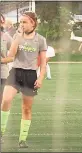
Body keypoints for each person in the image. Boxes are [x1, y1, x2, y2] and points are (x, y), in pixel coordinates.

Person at [1, 11, 47, 148]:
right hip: (15, 72)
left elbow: (44, 63)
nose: (22, 24)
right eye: (20, 22)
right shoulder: (17, 36)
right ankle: (1, 133)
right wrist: (18, 38)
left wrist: (40, 78)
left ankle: (22, 139)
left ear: (33, 23)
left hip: (30, 75)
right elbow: (11, 55)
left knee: (26, 108)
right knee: (6, 100)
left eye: (24, 22)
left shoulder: (40, 40)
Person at [0, 14, 13, 106]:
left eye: (1, 21)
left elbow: (16, 55)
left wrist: (4, 60)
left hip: (2, 73)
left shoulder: (6, 37)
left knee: (2, 98)